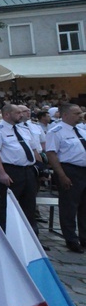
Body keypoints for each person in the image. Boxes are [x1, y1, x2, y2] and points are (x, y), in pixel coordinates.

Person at [0, 104, 42, 234]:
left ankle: (31, 236)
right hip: (12, 170)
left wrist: (41, 167)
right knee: (8, 204)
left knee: (29, 204)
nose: (21, 115)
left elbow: (33, 150)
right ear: (7, 115)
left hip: (29, 170)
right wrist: (2, 173)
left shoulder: (24, 129)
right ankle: (4, 234)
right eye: (17, 113)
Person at [45, 103, 86, 253]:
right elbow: (51, 154)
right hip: (70, 170)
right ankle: (71, 239)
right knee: (69, 206)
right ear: (65, 115)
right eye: (76, 113)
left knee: (84, 207)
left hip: (84, 170)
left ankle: (84, 237)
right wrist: (61, 175)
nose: (80, 115)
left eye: (81, 113)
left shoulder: (82, 130)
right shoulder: (56, 131)